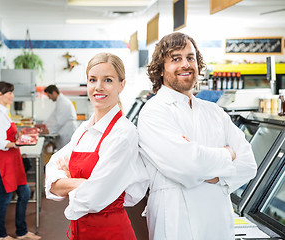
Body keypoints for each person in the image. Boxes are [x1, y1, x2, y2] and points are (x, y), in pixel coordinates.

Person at [137, 32, 257, 240]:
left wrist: (211, 172)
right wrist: (228, 155)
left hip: (218, 224)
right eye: (176, 59)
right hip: (175, 224)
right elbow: (187, 165)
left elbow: (249, 165)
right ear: (160, 69)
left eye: (190, 57)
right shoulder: (153, 112)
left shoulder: (215, 112)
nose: (185, 64)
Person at [45, 53, 149, 240]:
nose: (98, 87)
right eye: (93, 80)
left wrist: (69, 180)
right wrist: (86, 183)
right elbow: (51, 173)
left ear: (121, 85)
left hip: (111, 233)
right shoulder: (84, 130)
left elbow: (93, 197)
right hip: (81, 232)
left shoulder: (123, 133)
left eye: (107, 80)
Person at [0, 82, 41, 240]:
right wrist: (17, 143)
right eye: (9, 93)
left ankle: (22, 232)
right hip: (3, 160)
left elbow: (7, 135)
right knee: (5, 196)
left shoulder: (3, 112)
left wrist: (21, 137)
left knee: (24, 192)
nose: (13, 96)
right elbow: (0, 142)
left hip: (13, 157)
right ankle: (1, 235)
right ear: (0, 95)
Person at [43, 85, 77, 149]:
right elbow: (53, 116)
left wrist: (49, 131)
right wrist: (44, 124)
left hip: (68, 131)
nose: (49, 98)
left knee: (67, 152)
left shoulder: (63, 103)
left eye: (49, 95)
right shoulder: (60, 101)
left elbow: (59, 122)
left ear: (54, 93)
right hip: (65, 130)